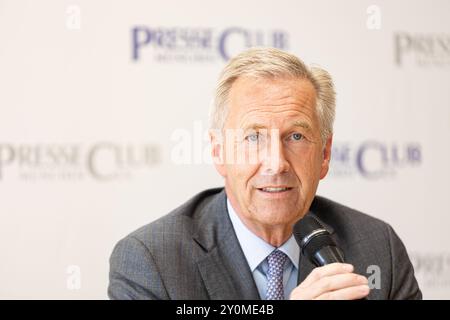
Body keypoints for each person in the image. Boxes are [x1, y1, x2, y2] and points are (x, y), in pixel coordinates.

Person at [108, 47, 422, 300]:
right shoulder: (151, 261)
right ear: (219, 152)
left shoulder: (378, 248)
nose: (276, 163)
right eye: (254, 137)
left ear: (324, 154)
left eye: (296, 137)